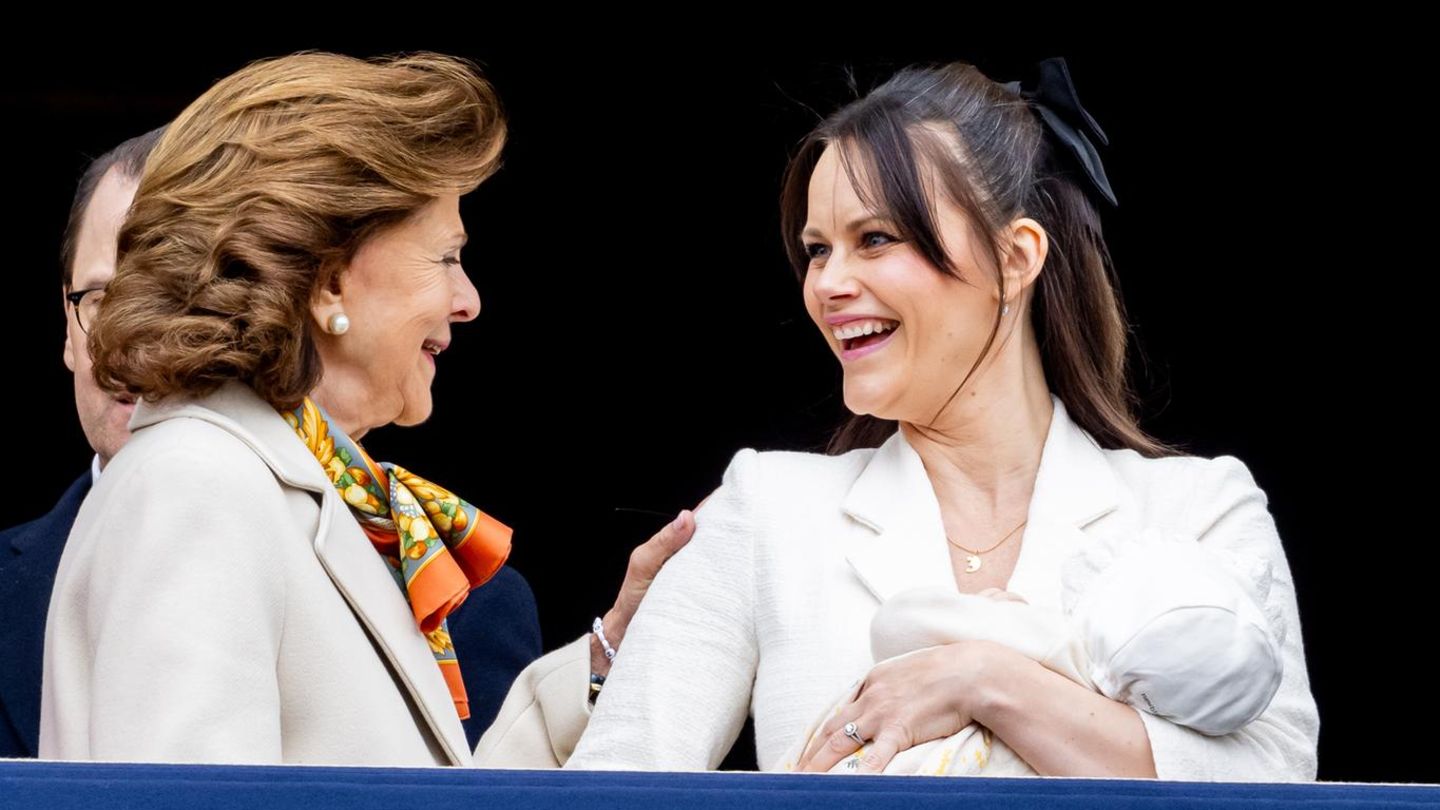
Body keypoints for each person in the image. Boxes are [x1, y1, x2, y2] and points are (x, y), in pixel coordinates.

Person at [566, 58, 1319, 781]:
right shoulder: (767, 508)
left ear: (1016, 257)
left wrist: (984, 681)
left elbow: (1278, 781)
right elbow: (617, 784)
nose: (828, 283)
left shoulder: (1199, 509)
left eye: (876, 239)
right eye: (818, 250)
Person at [38, 51, 690, 767]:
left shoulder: (293, 487)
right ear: (329, 284)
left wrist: (607, 655)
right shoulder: (196, 485)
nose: (468, 300)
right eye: (445, 257)